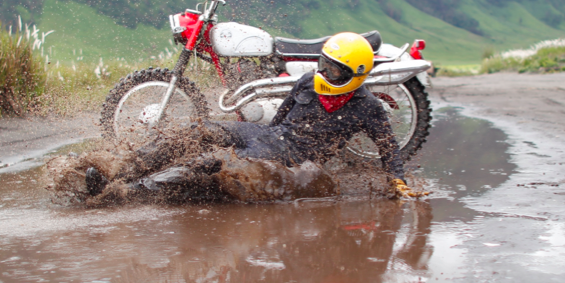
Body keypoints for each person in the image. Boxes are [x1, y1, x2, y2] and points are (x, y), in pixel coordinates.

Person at [87, 32, 420, 198]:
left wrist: (399, 183)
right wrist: (259, 143)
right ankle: (120, 170)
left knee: (214, 161)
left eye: (334, 70)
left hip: (291, 157)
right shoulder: (307, 81)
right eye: (323, 64)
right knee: (197, 130)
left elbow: (390, 150)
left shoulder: (368, 108)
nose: (325, 72)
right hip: (269, 138)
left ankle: (129, 191)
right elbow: (279, 122)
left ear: (355, 74)